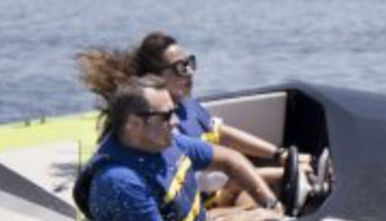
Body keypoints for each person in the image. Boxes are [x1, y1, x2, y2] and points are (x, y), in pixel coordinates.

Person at [76, 31, 295, 207]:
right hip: (205, 202)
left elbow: (221, 133)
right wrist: (284, 173)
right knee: (283, 191)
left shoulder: (184, 103)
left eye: (190, 63)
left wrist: (279, 154)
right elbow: (213, 181)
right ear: (156, 76)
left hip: (220, 183)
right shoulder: (161, 131)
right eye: (180, 68)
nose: (189, 72)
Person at [83, 76, 281, 221]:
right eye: (166, 115)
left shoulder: (163, 141)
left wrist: (271, 203)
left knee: (263, 205)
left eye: (174, 111)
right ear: (134, 124)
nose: (176, 121)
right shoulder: (122, 183)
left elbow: (231, 160)